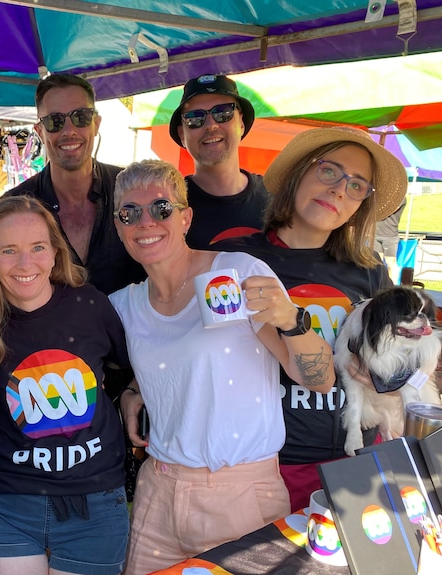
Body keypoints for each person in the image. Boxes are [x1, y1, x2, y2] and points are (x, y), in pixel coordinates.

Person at [108, 159, 335, 574]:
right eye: (130, 212)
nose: (146, 221)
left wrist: (292, 320)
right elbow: (169, 364)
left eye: (161, 208)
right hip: (158, 491)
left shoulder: (236, 273)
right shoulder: (124, 305)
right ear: (119, 226)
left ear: (185, 218)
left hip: (240, 495)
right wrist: (133, 391)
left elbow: (318, 380)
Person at [215, 126, 407, 510]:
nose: (339, 189)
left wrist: (390, 377)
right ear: (298, 173)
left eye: (357, 186)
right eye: (329, 171)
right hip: (260, 465)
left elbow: (403, 362)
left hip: (356, 458)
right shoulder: (232, 258)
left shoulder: (369, 271)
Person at [0, 195, 130, 575]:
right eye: (8, 250)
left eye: (38, 247)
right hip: (6, 505)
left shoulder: (89, 305)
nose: (26, 264)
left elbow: (132, 367)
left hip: (94, 505)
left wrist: (134, 392)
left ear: (56, 253)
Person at [5, 72, 145, 296]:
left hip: (130, 331)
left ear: (96, 124)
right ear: (40, 131)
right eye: (55, 121)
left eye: (81, 117)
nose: (69, 131)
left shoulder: (134, 190)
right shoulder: (13, 207)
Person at [168, 74, 270, 249]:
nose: (211, 125)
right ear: (182, 134)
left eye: (223, 112)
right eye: (194, 118)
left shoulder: (278, 199)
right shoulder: (167, 208)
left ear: (241, 124)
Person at [376, 196, 407, 283]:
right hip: (375, 234)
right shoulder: (379, 196)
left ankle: (392, 286)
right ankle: (378, 284)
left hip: (389, 236)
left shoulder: (400, 198)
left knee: (390, 262)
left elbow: (388, 209)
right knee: (377, 262)